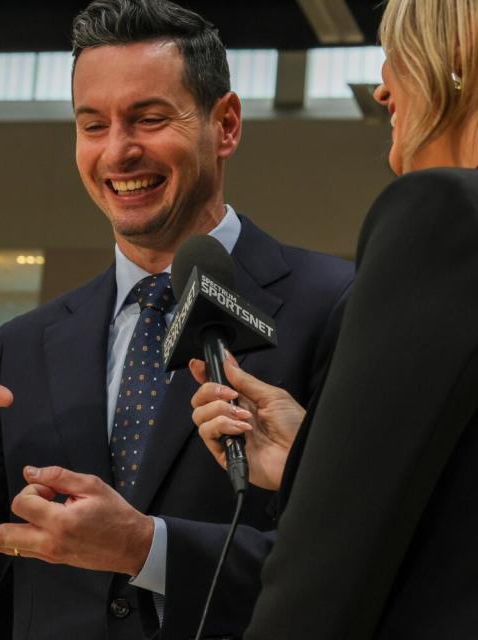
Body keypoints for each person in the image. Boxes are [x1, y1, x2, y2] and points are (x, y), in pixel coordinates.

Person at [0, 1, 353, 638]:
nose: (118, 152)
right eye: (92, 125)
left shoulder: (339, 304)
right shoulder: (23, 347)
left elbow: (358, 566)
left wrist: (146, 548)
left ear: (226, 124)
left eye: (149, 119)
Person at [189, 0, 478, 637]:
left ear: (452, 64)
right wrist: (313, 461)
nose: (382, 88)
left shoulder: (440, 215)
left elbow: (328, 566)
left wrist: (328, 490)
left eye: (397, 58)